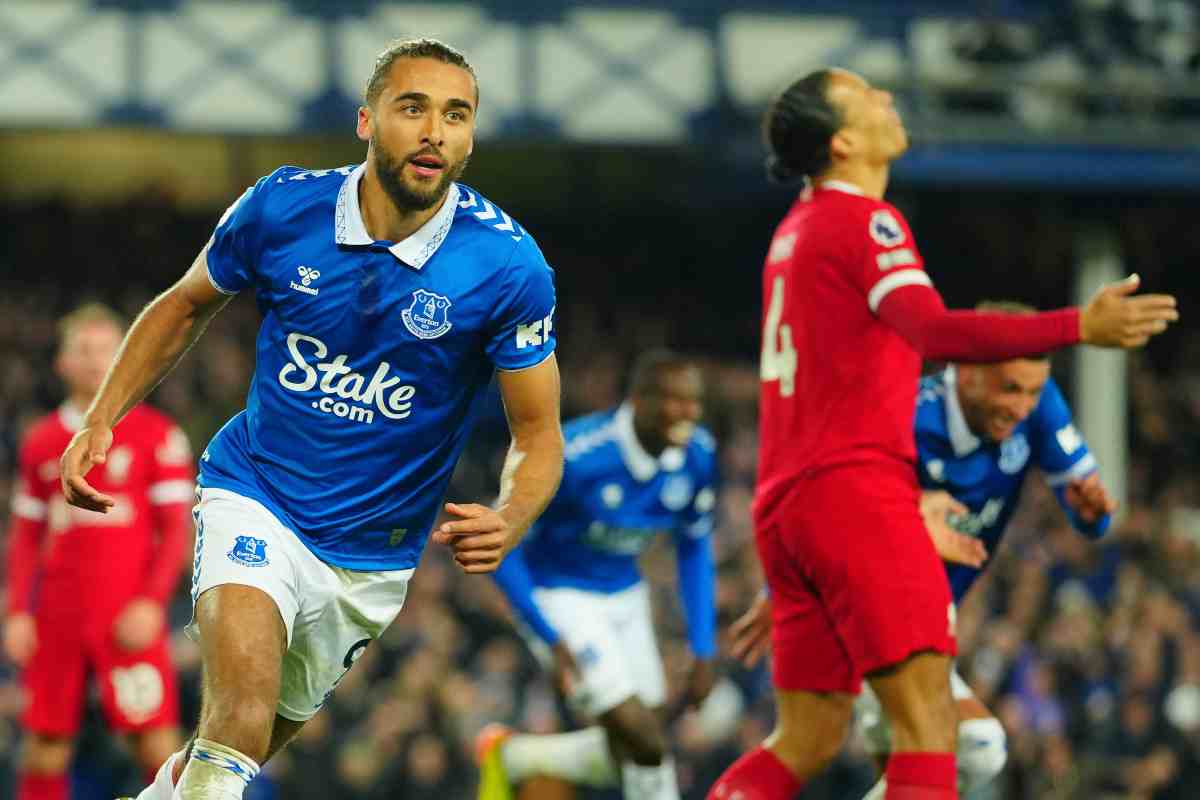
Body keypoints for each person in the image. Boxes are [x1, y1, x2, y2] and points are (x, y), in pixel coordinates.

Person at [58, 38, 564, 800]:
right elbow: (186, 302)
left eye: (456, 115)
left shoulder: (507, 267)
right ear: (367, 120)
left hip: (372, 559)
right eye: (413, 107)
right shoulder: (282, 207)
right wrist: (104, 416)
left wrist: (514, 511)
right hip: (256, 493)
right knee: (237, 722)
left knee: (233, 748)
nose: (435, 131)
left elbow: (538, 436)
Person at [706, 67, 1177, 800]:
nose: (889, 100)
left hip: (787, 507)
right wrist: (1078, 325)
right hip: (855, 490)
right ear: (844, 142)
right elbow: (931, 327)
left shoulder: (793, 234)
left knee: (808, 737)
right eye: (870, 97)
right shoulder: (867, 220)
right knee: (931, 733)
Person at [731, 302, 1119, 798]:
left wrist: (1090, 514)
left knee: (912, 771)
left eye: (1032, 391)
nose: (1022, 407)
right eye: (1010, 389)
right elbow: (822, 506)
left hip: (927, 626)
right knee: (972, 745)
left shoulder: (1040, 406)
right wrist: (779, 587)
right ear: (969, 370)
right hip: (864, 617)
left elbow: (1091, 510)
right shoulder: (901, 418)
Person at [476, 350, 718, 800]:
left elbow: (694, 545)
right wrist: (547, 634)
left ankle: (518, 757)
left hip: (626, 594)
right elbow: (499, 544)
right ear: (638, 400)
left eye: (694, 402)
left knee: (641, 743)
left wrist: (703, 646)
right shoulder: (579, 456)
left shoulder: (697, 456)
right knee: (645, 739)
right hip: (561, 597)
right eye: (674, 401)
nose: (688, 414)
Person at [4, 303, 193, 800]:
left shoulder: (157, 435)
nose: (94, 361)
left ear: (124, 357)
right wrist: (19, 611)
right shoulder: (41, 441)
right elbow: (26, 536)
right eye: (83, 350)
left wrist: (152, 603)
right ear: (62, 362)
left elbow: (177, 531)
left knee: (155, 745)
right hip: (58, 617)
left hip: (126, 614)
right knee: (45, 748)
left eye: (107, 350)